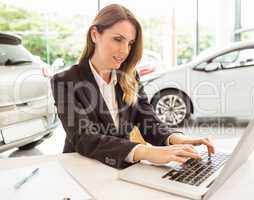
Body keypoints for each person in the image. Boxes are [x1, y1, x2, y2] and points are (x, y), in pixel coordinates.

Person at [51, 4, 215, 169]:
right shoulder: (65, 81)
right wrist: (147, 152)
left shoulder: (129, 77)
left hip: (121, 169)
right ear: (95, 35)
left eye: (130, 43)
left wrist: (174, 138)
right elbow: (84, 138)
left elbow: (146, 119)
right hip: (83, 169)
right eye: (118, 39)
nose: (124, 51)